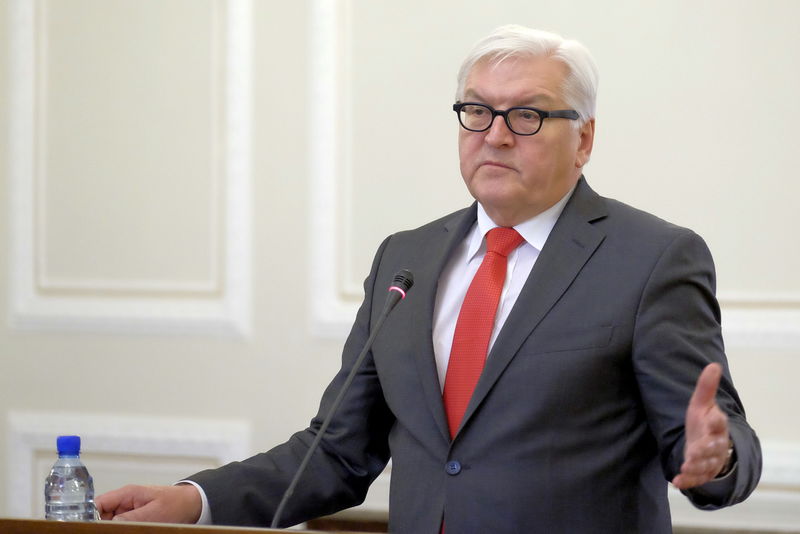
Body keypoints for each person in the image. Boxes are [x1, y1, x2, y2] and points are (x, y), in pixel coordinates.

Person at [96, 25, 761, 533]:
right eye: (476, 111)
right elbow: (336, 452)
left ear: (584, 140)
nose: (495, 136)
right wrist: (195, 499)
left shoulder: (650, 258)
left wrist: (718, 459)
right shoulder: (405, 258)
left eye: (527, 115)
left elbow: (714, 440)